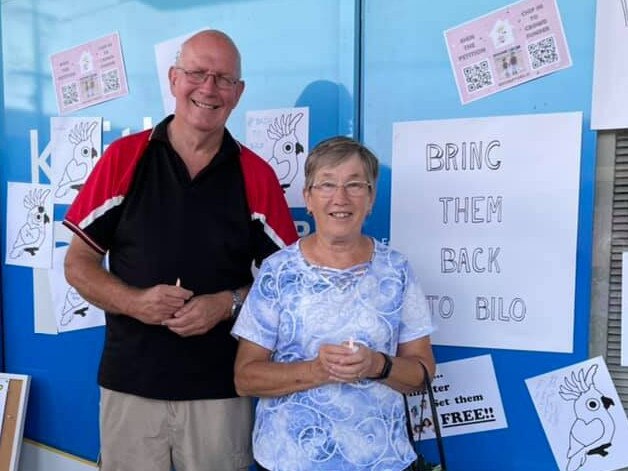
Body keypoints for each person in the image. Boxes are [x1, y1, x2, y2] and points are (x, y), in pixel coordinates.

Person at [63, 29, 298, 471]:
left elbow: (288, 284)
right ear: (174, 80)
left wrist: (226, 304)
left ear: (238, 92)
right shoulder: (124, 158)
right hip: (130, 386)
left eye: (223, 78)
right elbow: (77, 263)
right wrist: (135, 303)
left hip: (220, 391)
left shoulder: (256, 175)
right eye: (196, 73)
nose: (208, 88)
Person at [232, 136, 436, 471]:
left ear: (370, 199)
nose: (340, 198)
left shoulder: (397, 270)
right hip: (288, 460)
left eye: (355, 185)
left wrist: (376, 365)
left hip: (381, 462)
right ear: (308, 199)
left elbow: (422, 373)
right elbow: (246, 377)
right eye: (326, 184)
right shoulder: (278, 271)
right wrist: (317, 370)